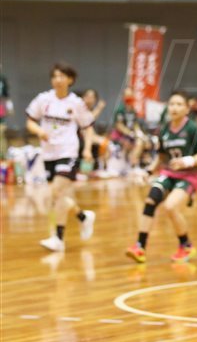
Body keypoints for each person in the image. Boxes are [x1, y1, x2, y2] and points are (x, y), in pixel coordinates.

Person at [125, 91, 197, 263]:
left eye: (179, 104)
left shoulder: (192, 129)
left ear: (187, 109)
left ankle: (186, 245)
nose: (174, 108)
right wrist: (148, 172)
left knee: (170, 207)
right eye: (171, 104)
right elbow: (162, 157)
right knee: (150, 200)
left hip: (189, 176)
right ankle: (140, 247)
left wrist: (186, 161)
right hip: (169, 174)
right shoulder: (164, 129)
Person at [25, 63, 96, 252]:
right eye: (55, 76)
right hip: (49, 153)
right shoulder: (43, 99)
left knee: (56, 192)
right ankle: (83, 217)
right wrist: (39, 131)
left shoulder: (76, 103)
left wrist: (88, 149)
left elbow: (88, 127)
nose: (58, 80)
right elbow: (30, 122)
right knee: (59, 196)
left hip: (68, 152)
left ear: (70, 80)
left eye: (62, 76)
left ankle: (58, 238)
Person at [111, 87, 147, 170]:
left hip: (131, 136)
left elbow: (135, 124)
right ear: (123, 97)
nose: (129, 97)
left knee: (142, 142)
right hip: (120, 136)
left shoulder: (133, 110)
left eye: (131, 95)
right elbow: (119, 125)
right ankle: (128, 165)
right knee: (129, 144)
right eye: (127, 95)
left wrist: (140, 134)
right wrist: (130, 133)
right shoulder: (120, 109)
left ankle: (133, 166)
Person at [0, 67, 13, 155]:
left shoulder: (2, 79)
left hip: (0, 106)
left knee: (1, 132)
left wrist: (10, 107)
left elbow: (7, 95)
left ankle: (2, 154)